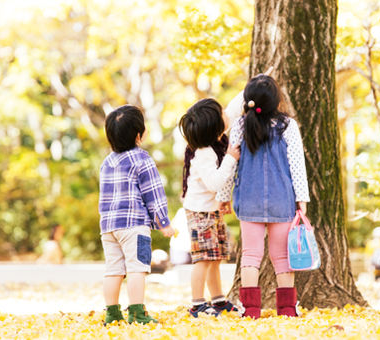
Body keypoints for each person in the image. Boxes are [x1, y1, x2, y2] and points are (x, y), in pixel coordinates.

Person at [217, 74, 310, 318]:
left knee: (250, 255)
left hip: (249, 200)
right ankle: (288, 310)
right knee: (282, 257)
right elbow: (297, 165)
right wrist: (302, 198)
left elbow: (231, 162)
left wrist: (223, 196)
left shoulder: (239, 126)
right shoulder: (288, 126)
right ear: (276, 100)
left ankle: (251, 310)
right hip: (282, 201)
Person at [99, 105, 175, 325]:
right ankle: (137, 313)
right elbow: (154, 193)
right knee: (137, 269)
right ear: (139, 135)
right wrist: (163, 223)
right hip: (134, 226)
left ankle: (112, 314)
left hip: (109, 227)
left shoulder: (107, 163)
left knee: (113, 270)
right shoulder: (141, 159)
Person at [179, 98, 241, 317]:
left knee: (215, 256)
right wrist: (231, 158)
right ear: (215, 129)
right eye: (221, 113)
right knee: (203, 259)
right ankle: (197, 303)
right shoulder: (204, 153)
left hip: (210, 210)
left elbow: (234, 108)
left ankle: (218, 299)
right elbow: (215, 182)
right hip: (200, 213)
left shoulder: (212, 144)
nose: (226, 114)